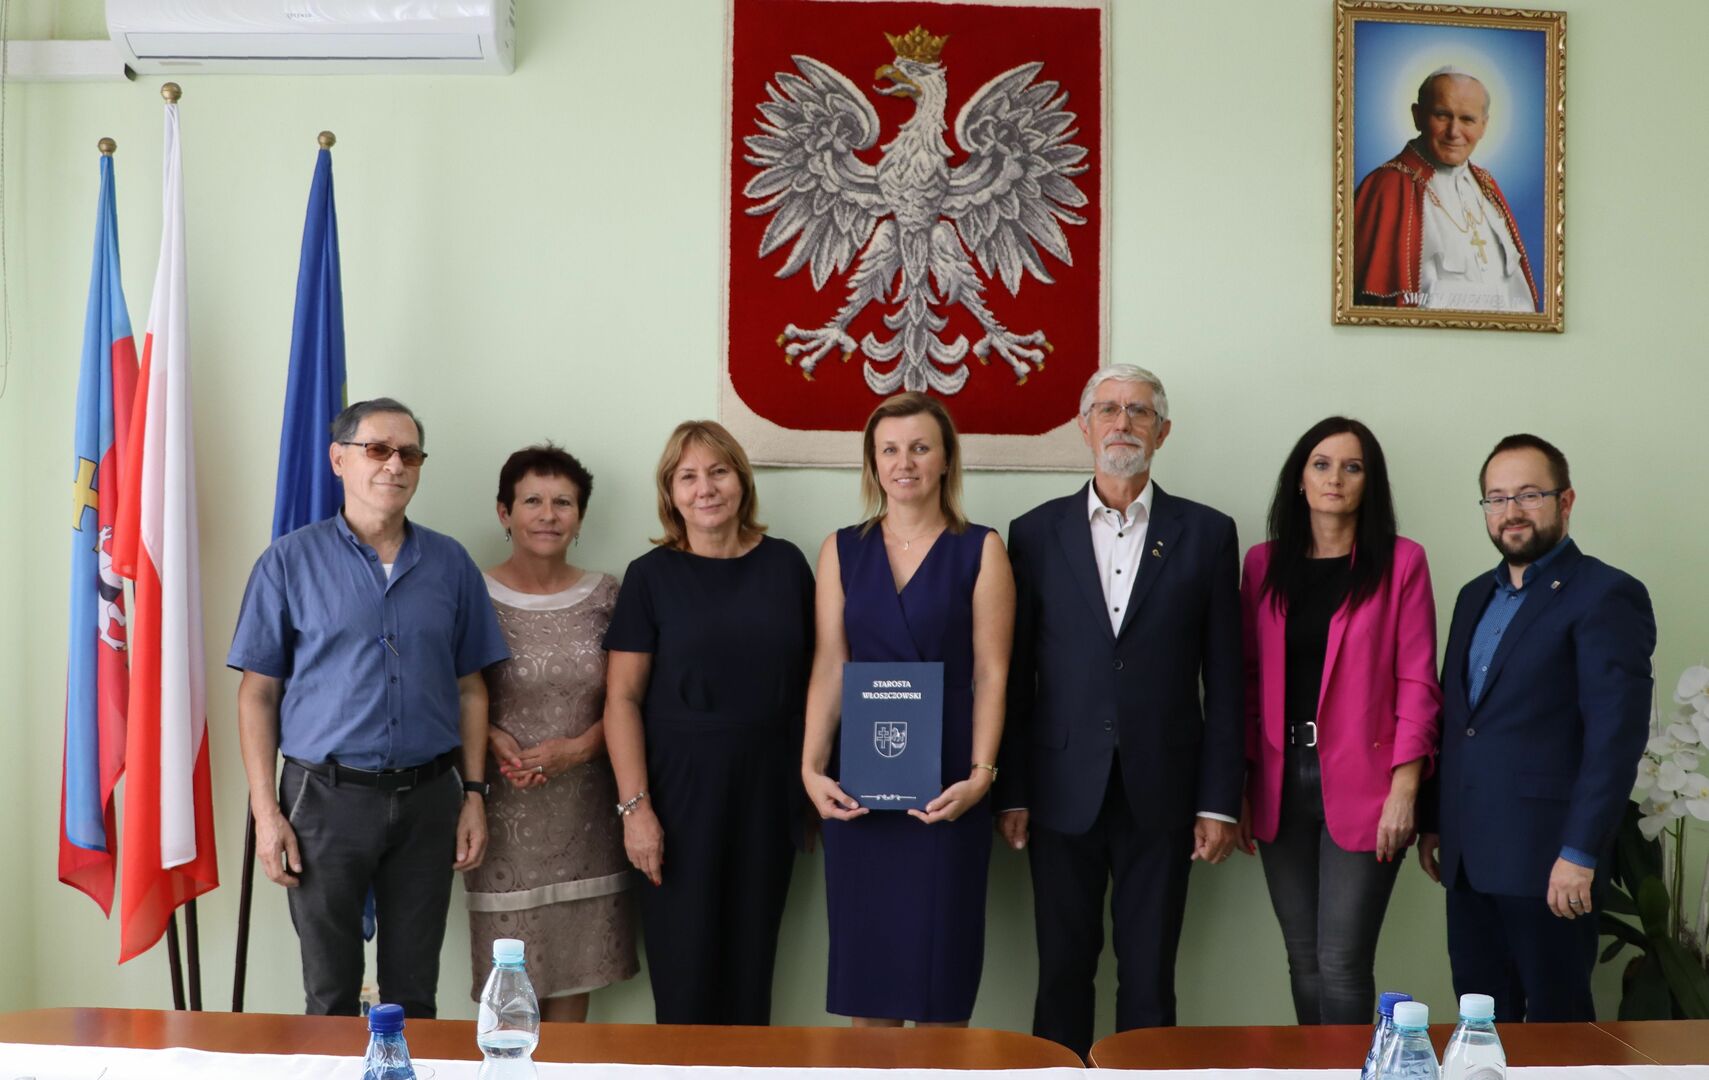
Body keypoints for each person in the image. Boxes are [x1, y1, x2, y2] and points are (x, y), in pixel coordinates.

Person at [229, 397, 508, 1018]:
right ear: (339, 459)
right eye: (377, 449)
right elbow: (258, 692)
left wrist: (473, 794)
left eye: (409, 453)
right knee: (330, 995)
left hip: (429, 800)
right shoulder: (288, 562)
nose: (394, 465)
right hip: (322, 801)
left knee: (414, 995)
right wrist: (266, 813)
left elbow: (470, 688)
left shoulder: (451, 564)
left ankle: (406, 1063)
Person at [998, 364, 1244, 1057]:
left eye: (1139, 411)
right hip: (1059, 790)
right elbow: (1016, 678)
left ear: (1162, 432)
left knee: (1149, 976)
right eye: (1107, 409)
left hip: (1162, 791)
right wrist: (1012, 789)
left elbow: (1225, 680)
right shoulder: (1034, 533)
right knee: (1060, 972)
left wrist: (1219, 803)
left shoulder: (1206, 533)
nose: (1122, 423)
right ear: (1084, 427)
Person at [1419, 434, 1655, 1022]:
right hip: (1470, 860)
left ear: (1565, 501)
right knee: (1479, 1025)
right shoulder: (1474, 596)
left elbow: (1615, 739)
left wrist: (1580, 853)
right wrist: (1434, 822)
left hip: (1551, 862)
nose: (1511, 511)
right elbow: (1459, 721)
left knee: (1558, 1031)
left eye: (1529, 494)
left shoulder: (1606, 594)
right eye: (1496, 499)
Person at [801, 392, 1015, 1027]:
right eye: (890, 450)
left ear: (946, 459)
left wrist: (981, 776)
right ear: (873, 463)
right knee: (869, 985)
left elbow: (992, 672)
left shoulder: (982, 548)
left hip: (947, 787)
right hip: (859, 791)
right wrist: (811, 769)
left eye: (920, 448)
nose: (905, 462)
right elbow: (829, 665)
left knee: (941, 983)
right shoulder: (840, 549)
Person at [601, 420, 815, 1025]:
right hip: (677, 795)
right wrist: (635, 810)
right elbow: (621, 700)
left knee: (752, 972)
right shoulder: (650, 576)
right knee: (685, 974)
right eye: (688, 476)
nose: (706, 488)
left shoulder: (786, 565)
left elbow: (818, 681)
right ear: (670, 493)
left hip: (769, 792)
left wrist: (813, 785)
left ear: (741, 481)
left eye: (718, 472)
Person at [1236, 417, 1442, 1025]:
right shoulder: (1262, 564)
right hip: (1278, 780)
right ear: (1299, 479)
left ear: (1369, 482)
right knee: (1303, 960)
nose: (1335, 478)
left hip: (1369, 783)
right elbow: (1247, 681)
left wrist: (1405, 790)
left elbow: (1417, 681)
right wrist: (1240, 783)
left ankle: (1353, 1067)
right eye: (1321, 464)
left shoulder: (1401, 562)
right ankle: (1317, 1068)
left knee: (1343, 961)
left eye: (1353, 467)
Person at [466, 444, 637, 1022]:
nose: (548, 514)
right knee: (509, 994)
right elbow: (447, 690)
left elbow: (630, 698)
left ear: (580, 517)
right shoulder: (471, 593)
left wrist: (580, 749)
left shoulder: (609, 594)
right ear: (504, 512)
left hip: (588, 818)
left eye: (563, 502)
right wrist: (490, 737)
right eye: (532, 501)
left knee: (573, 987)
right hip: (501, 817)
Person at [1353, 67, 1540, 312]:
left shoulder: (1486, 185)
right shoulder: (1386, 187)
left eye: (1467, 119)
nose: (1454, 132)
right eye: (1442, 115)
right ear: (1418, 116)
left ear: (1483, 126)